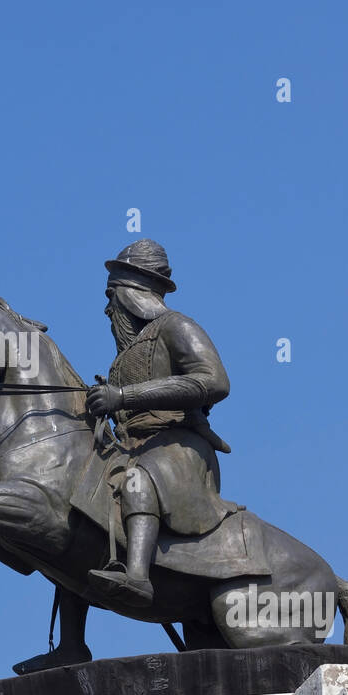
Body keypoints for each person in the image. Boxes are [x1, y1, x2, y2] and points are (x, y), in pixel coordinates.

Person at [84, 239, 240, 606]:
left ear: (129, 295)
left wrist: (123, 398)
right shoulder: (124, 355)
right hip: (134, 448)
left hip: (179, 449)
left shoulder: (176, 327)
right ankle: (72, 641)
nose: (107, 310)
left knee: (138, 481)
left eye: (111, 297)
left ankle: (138, 577)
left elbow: (215, 381)